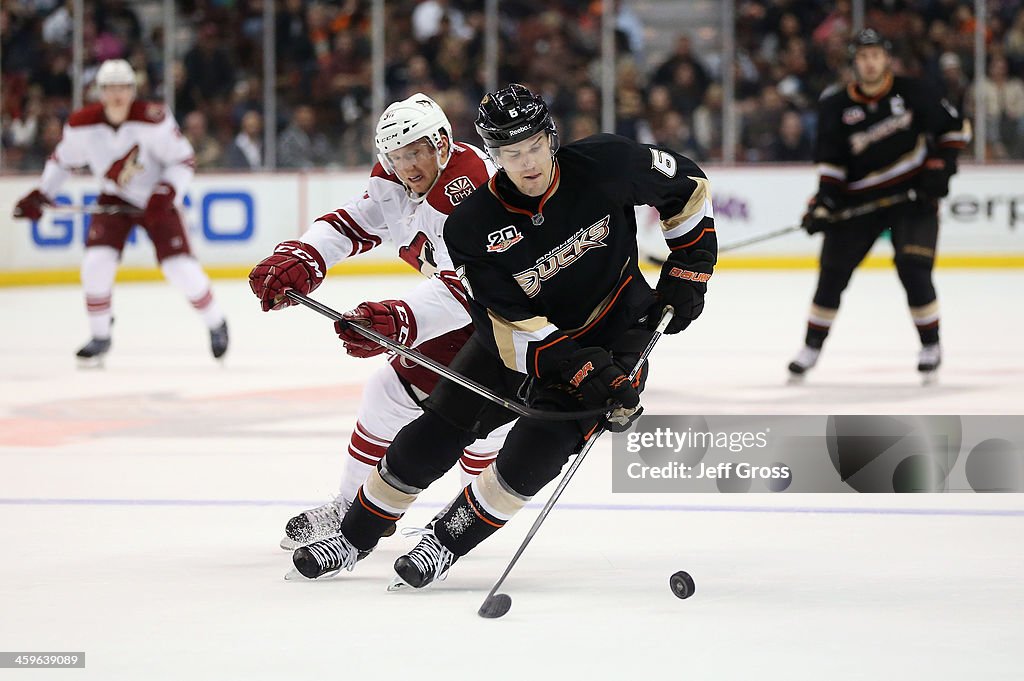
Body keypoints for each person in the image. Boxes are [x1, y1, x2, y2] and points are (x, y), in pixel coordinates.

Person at [290, 83, 716, 588]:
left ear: (551, 137)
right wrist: (577, 366)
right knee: (434, 433)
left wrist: (691, 267)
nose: (529, 163)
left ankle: (444, 542)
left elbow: (685, 185)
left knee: (535, 454)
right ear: (494, 155)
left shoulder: (607, 162)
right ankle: (355, 536)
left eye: (535, 146)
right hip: (520, 344)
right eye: (512, 153)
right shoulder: (473, 226)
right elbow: (506, 318)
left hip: (617, 331)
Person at [248, 93, 511, 551]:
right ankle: (354, 507)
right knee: (389, 394)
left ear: (442, 144)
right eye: (396, 155)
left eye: (416, 152)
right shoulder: (395, 182)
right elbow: (356, 221)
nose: (407, 166)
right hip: (464, 317)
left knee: (483, 430)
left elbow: (469, 284)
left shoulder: (469, 191)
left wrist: (401, 319)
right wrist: (305, 255)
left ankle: (467, 518)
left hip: (509, 320)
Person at [13, 59, 228, 364]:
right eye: (110, 88)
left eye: (123, 87)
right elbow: (62, 161)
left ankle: (216, 323)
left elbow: (183, 161)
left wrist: (165, 192)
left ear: (133, 90)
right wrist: (41, 194)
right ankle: (100, 335)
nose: (117, 94)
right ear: (99, 92)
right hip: (113, 200)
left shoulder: (153, 120)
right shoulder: (82, 125)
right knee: (95, 263)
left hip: (156, 200)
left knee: (178, 267)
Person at [788, 29, 970, 382]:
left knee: (913, 267)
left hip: (913, 199)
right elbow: (831, 163)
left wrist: (938, 169)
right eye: (863, 56)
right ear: (855, 62)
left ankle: (931, 345)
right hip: (859, 201)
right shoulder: (835, 105)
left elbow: (955, 129)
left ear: (886, 58)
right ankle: (811, 347)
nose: (870, 63)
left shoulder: (915, 91)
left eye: (876, 55)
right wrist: (824, 202)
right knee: (832, 275)